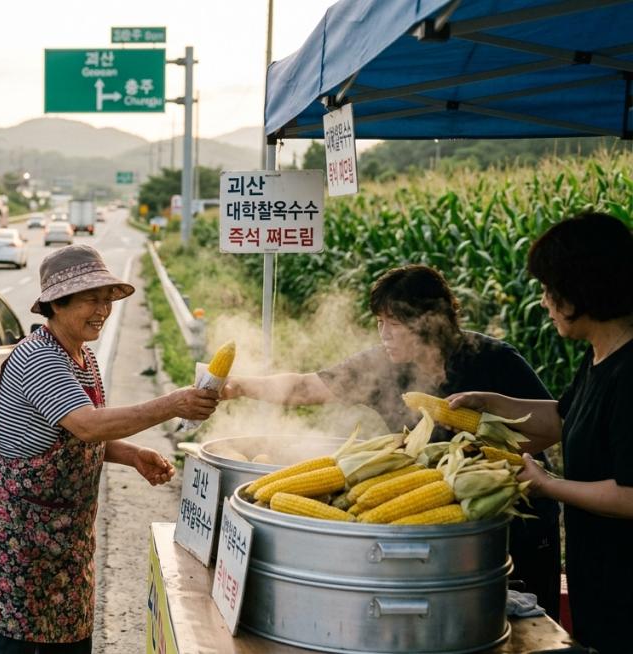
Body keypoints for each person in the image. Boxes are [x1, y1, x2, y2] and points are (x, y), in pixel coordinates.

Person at [220, 264, 562, 618]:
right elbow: (307, 387)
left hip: (516, 522)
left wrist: (482, 453)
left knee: (533, 626)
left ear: (433, 320)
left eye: (394, 324)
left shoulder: (495, 361)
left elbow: (551, 428)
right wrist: (239, 386)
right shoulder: (381, 365)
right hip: (441, 526)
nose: (384, 334)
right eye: (379, 322)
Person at [0, 244, 218, 654]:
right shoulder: (37, 358)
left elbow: (73, 436)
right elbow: (87, 426)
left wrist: (131, 455)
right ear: (57, 303)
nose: (103, 310)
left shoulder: (83, 356)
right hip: (18, 534)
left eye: (107, 299)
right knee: (15, 638)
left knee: (66, 639)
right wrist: (173, 404)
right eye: (91, 299)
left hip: (65, 535)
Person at [448, 212, 633, 652]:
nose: (544, 303)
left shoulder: (629, 374)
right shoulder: (601, 355)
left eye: (550, 290)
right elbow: (565, 419)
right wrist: (493, 403)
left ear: (582, 289)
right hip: (599, 578)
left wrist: (549, 485)